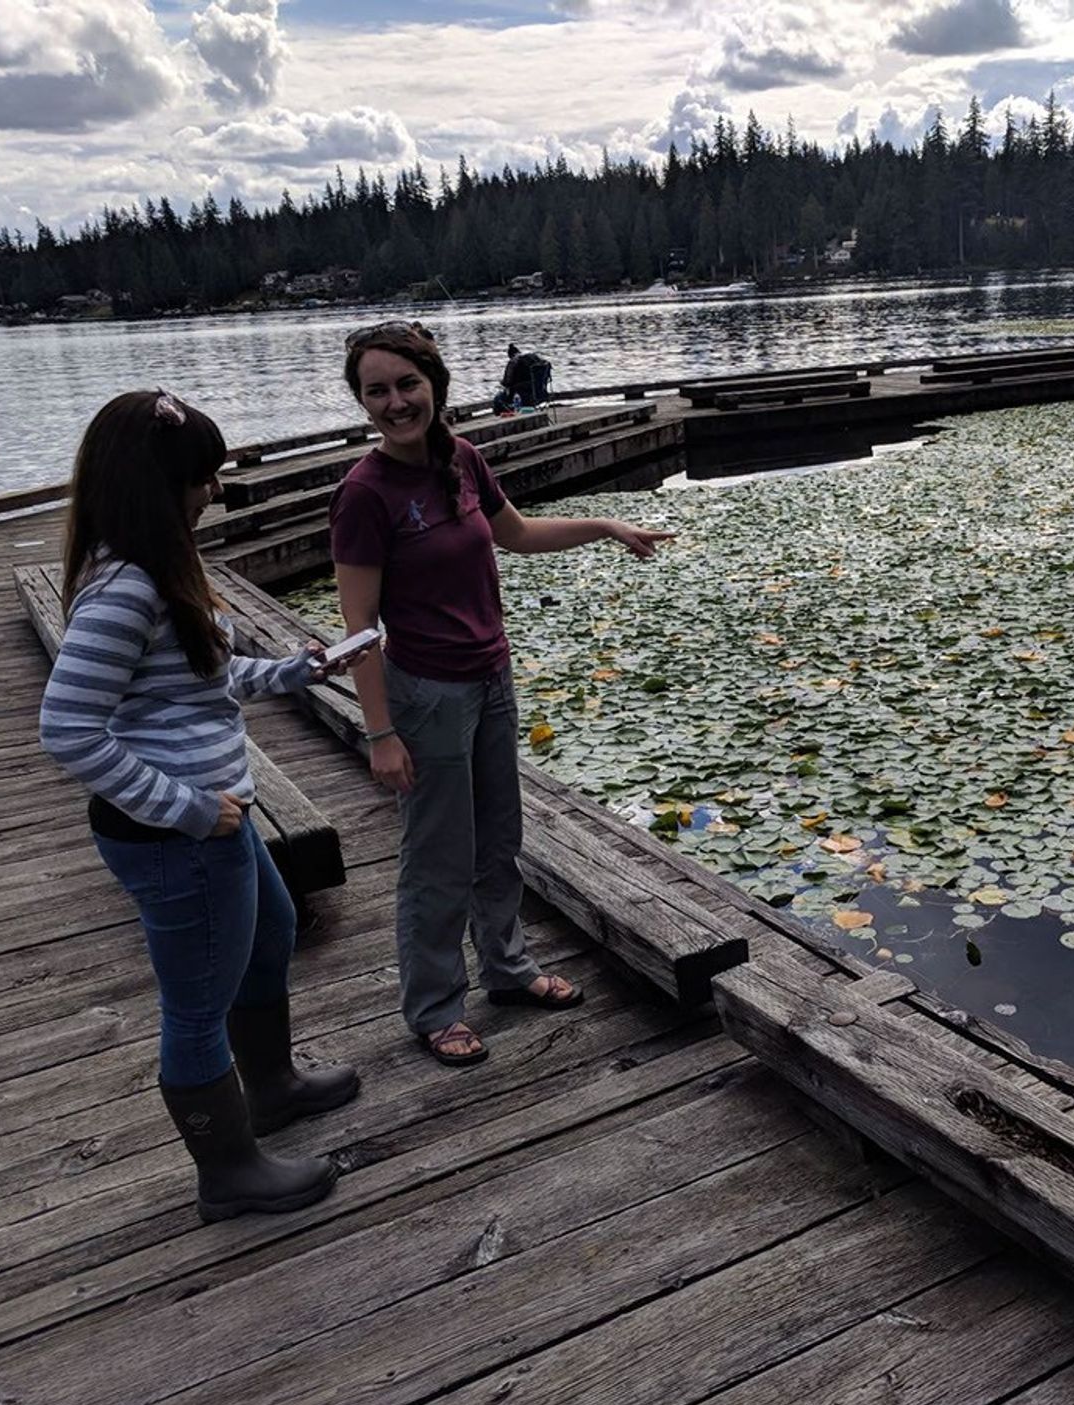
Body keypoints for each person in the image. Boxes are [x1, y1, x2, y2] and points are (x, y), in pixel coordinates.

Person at [39, 390, 362, 1222]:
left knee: (275, 933)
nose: (213, 491)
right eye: (201, 476)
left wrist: (292, 670)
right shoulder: (125, 591)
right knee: (195, 1005)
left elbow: (200, 681)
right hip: (176, 833)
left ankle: (276, 1086)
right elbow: (67, 727)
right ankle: (228, 1171)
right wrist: (181, 808)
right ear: (154, 485)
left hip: (211, 815)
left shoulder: (161, 568)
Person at [331, 322, 674, 1066]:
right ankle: (433, 1006)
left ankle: (510, 970)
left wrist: (606, 525)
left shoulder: (460, 460)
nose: (395, 402)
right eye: (376, 391)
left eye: (406, 384)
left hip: (490, 679)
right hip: (424, 695)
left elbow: (514, 533)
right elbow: (357, 627)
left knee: (499, 840)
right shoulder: (365, 494)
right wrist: (379, 733)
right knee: (437, 855)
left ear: (435, 382)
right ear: (361, 402)